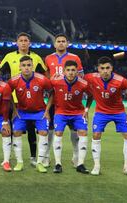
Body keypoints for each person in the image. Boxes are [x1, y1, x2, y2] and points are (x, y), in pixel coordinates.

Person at [84, 56, 127, 177]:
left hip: (118, 112)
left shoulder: (121, 81)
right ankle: (96, 166)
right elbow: (77, 78)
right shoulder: (91, 77)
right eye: (102, 68)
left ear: (112, 68)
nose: (105, 71)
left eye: (108, 68)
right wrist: (86, 109)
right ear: (98, 69)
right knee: (96, 135)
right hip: (101, 112)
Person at [1, 32, 47, 167]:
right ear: (17, 42)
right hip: (13, 100)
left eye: (25, 40)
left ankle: (33, 157)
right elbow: (0, 71)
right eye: (20, 40)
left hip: (31, 100)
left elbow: (44, 76)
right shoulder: (9, 57)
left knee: (32, 130)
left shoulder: (36, 58)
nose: (23, 43)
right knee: (12, 129)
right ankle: (8, 157)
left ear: (29, 43)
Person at [44, 33, 84, 167]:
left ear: (67, 43)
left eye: (63, 41)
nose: (61, 43)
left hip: (71, 101)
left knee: (74, 130)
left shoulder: (75, 58)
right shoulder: (48, 58)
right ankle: (47, 155)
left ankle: (76, 155)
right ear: (55, 44)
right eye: (58, 41)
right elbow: (47, 79)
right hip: (54, 99)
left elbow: (81, 77)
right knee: (50, 129)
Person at [8, 56, 52, 173]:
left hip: (40, 112)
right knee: (16, 132)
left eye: (29, 65)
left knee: (43, 132)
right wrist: (14, 109)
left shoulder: (42, 79)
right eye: (24, 65)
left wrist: (47, 110)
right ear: (19, 67)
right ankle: (19, 162)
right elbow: (7, 94)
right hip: (22, 112)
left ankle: (40, 163)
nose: (26, 68)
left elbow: (52, 93)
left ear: (32, 66)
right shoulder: (14, 80)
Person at [50, 60, 92, 174]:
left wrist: (87, 109)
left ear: (77, 72)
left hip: (78, 113)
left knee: (83, 133)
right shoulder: (56, 81)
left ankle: (80, 164)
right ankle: (58, 164)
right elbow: (46, 87)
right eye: (68, 70)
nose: (70, 72)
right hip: (61, 112)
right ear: (63, 71)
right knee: (58, 133)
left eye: (73, 70)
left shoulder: (83, 83)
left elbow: (91, 95)